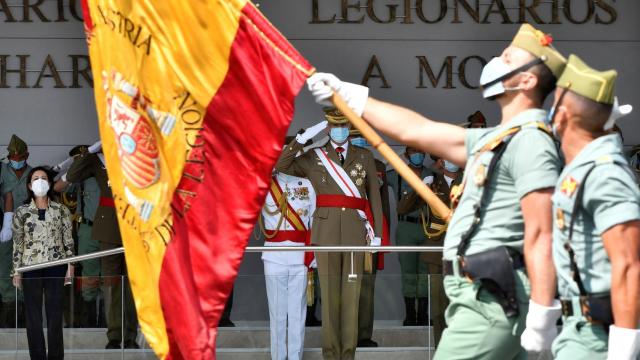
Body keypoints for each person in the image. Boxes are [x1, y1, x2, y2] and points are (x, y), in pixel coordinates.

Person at [307, 23, 567, 359]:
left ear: (528, 80)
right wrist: (349, 96)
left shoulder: (531, 141)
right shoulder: (498, 138)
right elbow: (419, 130)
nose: (496, 62)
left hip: (492, 299)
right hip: (480, 294)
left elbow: (542, 232)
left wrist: (544, 312)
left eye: (507, 57)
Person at [540, 55, 640, 359]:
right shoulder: (583, 169)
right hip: (579, 328)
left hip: (598, 335)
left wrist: (622, 351)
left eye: (554, 103)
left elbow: (627, 265)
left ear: (563, 116)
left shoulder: (605, 173)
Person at [276, 107, 383, 360]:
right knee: (330, 298)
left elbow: (375, 200)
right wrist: (302, 139)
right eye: (335, 126)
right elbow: (281, 165)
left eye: (344, 125)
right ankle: (330, 355)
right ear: (328, 128)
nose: (340, 130)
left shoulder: (364, 156)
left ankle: (348, 355)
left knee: (351, 299)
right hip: (325, 234)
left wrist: (377, 234)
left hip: (356, 233)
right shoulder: (315, 156)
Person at [65, 142, 139, 349]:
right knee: (112, 283)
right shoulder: (98, 161)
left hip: (136, 225)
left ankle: (131, 335)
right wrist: (90, 151)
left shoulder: (138, 156)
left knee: (133, 285)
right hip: (108, 225)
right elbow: (72, 175)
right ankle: (114, 335)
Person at [12, 166, 74, 360]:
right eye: (36, 178)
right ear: (30, 185)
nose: (40, 181)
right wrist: (16, 271)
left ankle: (56, 357)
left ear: (49, 183)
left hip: (56, 266)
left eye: (44, 178)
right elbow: (18, 244)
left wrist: (70, 267)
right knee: (33, 318)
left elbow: (68, 241)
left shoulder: (61, 210)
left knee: (55, 316)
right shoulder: (22, 212)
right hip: (31, 267)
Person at [260, 146, 316, 360]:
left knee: (297, 314)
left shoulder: (308, 185)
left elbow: (314, 221)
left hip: (300, 256)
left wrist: (313, 255)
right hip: (274, 255)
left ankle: (295, 357)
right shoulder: (265, 184)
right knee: (277, 314)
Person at [350, 129, 391, 348]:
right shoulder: (337, 162)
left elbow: (383, 206)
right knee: (344, 283)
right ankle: (345, 332)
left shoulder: (379, 166)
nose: (359, 140)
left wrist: (383, 235)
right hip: (345, 230)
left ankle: (364, 334)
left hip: (371, 233)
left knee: (367, 285)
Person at [54, 145, 103, 327]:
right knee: (88, 278)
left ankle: (105, 322)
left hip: (107, 230)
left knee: (109, 277)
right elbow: (55, 186)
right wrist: (65, 167)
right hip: (85, 232)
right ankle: (89, 323)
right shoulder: (78, 179)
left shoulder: (104, 174)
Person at [417, 156, 462, 344]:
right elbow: (403, 208)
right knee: (438, 307)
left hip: (463, 251)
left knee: (462, 305)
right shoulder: (432, 184)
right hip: (437, 251)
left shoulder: (472, 181)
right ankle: (440, 349)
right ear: (440, 162)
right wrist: (421, 187)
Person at [389, 146, 433, 327]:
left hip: (428, 228)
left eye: (421, 151)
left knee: (425, 273)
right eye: (414, 152)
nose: (419, 155)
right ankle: (410, 315)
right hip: (406, 227)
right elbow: (376, 172)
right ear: (407, 154)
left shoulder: (432, 174)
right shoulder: (396, 174)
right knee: (408, 272)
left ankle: (422, 315)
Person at [0, 134, 32, 327]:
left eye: (21, 158)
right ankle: (7, 314)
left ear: (27, 155)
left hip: (29, 228)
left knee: (26, 267)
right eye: (14, 157)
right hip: (6, 227)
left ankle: (22, 313)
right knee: (5, 267)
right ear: (9, 156)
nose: (17, 161)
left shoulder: (34, 172)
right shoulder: (1, 170)